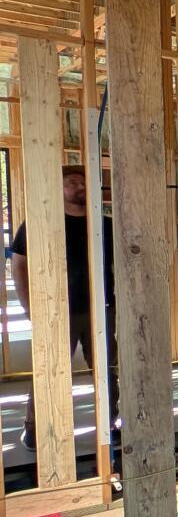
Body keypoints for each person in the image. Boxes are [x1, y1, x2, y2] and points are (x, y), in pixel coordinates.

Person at [8, 165, 115, 452]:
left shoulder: (104, 224)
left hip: (101, 311)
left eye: (83, 181)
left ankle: (112, 423)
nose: (79, 185)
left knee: (108, 369)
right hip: (56, 312)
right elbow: (18, 263)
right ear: (60, 188)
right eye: (72, 181)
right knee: (48, 372)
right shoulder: (41, 222)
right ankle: (35, 429)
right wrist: (30, 308)